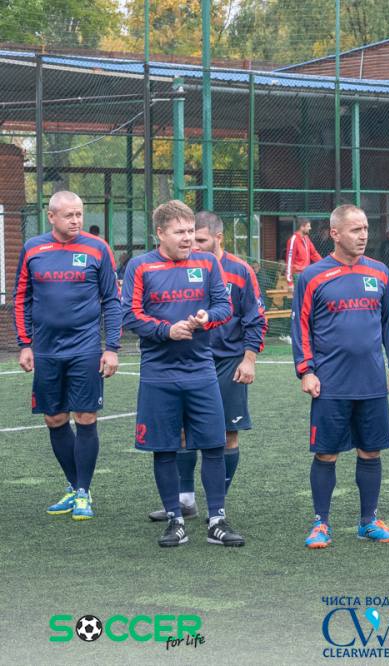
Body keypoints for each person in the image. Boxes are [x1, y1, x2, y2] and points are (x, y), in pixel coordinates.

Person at [122, 200, 244, 548]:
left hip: (201, 370)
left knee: (214, 444)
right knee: (164, 447)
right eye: (180, 232)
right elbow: (129, 315)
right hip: (158, 374)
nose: (188, 238)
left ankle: (217, 520)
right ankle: (175, 520)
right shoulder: (140, 266)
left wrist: (207, 318)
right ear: (160, 233)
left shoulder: (207, 263)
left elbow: (224, 307)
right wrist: (166, 330)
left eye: (191, 231)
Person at [292, 204, 389, 549]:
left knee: (371, 452)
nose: (363, 235)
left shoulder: (380, 272)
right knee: (326, 454)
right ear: (335, 233)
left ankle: (368, 521)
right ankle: (320, 523)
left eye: (365, 229)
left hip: (372, 382)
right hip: (330, 383)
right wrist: (306, 370)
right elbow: (300, 327)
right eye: (356, 229)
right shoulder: (312, 276)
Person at [147, 211, 267, 522]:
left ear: (219, 238)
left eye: (200, 239)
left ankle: (218, 503)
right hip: (188, 361)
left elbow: (255, 318)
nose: (193, 244)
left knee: (226, 434)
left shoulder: (239, 271)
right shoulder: (179, 266)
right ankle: (185, 500)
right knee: (181, 432)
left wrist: (249, 359)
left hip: (228, 362)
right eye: (188, 236)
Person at [13, 190, 121, 520]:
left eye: (79, 214)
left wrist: (111, 348)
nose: (76, 220)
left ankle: (84, 492)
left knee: (85, 418)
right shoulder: (33, 249)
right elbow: (22, 298)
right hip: (46, 350)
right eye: (69, 215)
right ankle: (75, 487)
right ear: (51, 216)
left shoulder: (98, 248)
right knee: (55, 419)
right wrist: (25, 343)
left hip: (85, 349)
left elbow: (112, 300)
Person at [286, 217, 322, 286]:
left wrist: (324, 264)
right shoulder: (293, 240)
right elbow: (289, 261)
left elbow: (314, 254)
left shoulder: (306, 238)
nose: (310, 228)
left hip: (306, 273)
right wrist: (290, 282)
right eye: (308, 226)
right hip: (297, 275)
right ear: (302, 227)